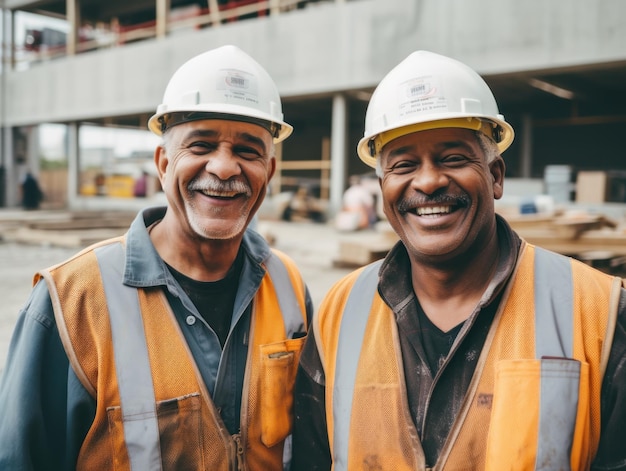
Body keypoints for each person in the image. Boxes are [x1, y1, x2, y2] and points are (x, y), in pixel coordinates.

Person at [291, 50, 626, 470]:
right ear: (382, 188)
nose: (429, 181)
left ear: (496, 175)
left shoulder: (598, 311)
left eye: (452, 158)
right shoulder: (340, 311)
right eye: (404, 165)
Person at [0, 44, 313, 471]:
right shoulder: (73, 301)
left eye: (247, 150)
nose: (224, 167)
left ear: (269, 173)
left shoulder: (288, 284)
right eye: (201, 145)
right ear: (163, 163)